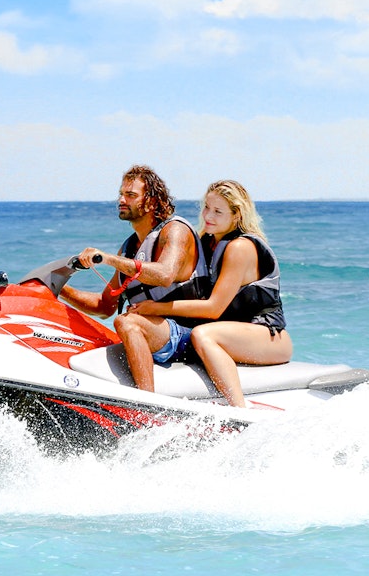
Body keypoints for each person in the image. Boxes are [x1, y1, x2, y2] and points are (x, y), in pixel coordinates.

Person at [128, 180, 292, 407]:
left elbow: (214, 308)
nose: (208, 216)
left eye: (218, 211)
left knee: (203, 335)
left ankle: (239, 411)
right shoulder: (206, 242)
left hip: (267, 335)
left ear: (236, 216)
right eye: (206, 207)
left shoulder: (240, 247)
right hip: (232, 333)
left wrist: (157, 308)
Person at [60, 165, 209, 392]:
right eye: (121, 194)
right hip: (159, 333)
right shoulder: (130, 247)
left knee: (127, 322)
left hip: (190, 334)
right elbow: (104, 306)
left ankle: (147, 403)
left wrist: (108, 259)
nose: (121, 200)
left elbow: (165, 274)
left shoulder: (175, 231)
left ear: (151, 202)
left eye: (130, 195)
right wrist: (57, 288)